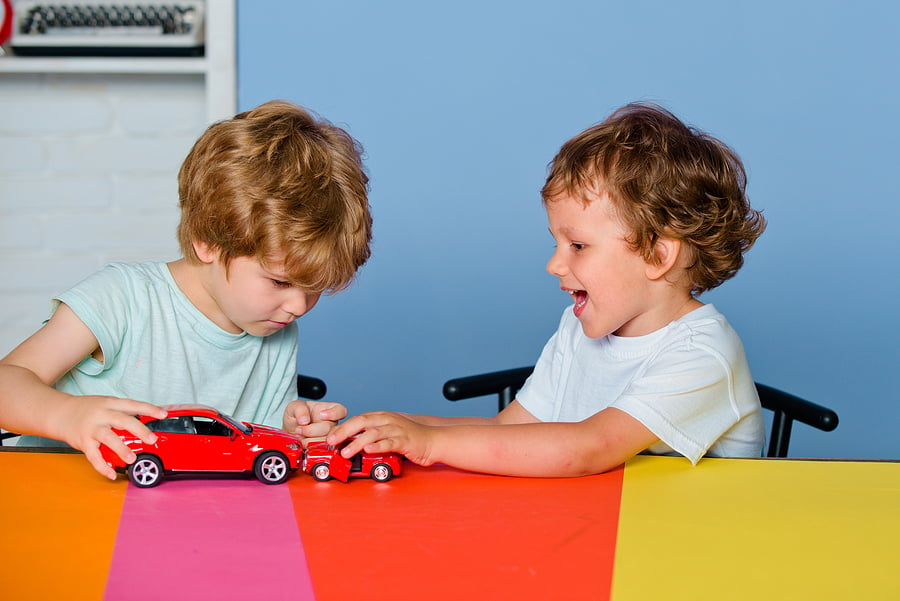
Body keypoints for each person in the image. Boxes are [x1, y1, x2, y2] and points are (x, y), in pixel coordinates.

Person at [328, 102, 767, 477]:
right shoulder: (579, 329)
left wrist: (429, 445)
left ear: (657, 255)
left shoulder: (702, 354)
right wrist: (389, 429)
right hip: (600, 529)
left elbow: (587, 448)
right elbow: (508, 432)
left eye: (577, 245)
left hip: (689, 552)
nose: (554, 264)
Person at [0, 100, 372, 479]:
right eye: (279, 281)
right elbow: (7, 382)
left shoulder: (274, 328)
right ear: (207, 241)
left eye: (314, 289)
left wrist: (290, 432)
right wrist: (67, 415)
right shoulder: (123, 299)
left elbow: (246, 448)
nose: (298, 306)